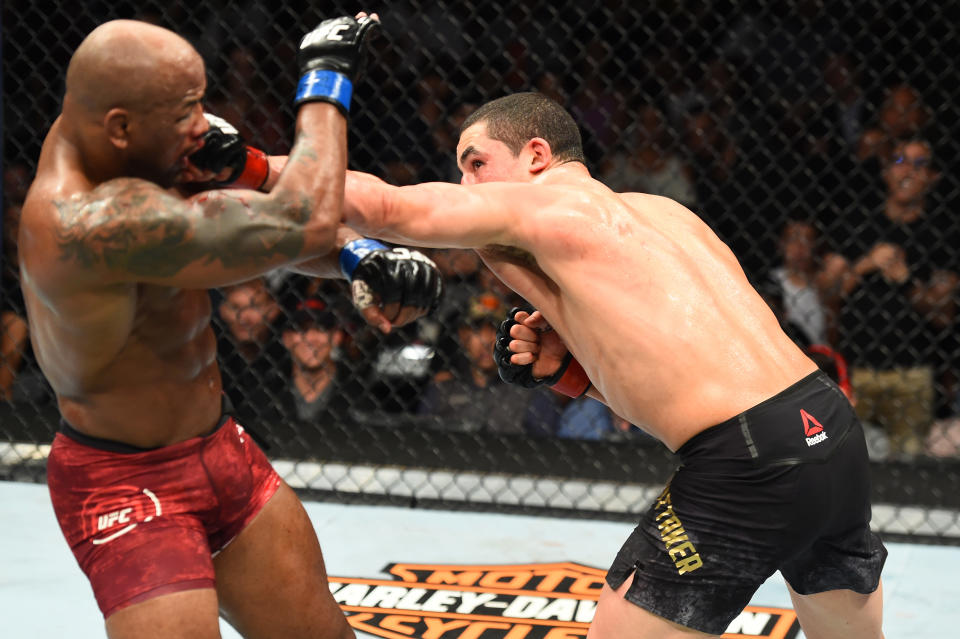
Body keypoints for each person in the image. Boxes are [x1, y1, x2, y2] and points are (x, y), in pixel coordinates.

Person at [341, 92, 886, 638]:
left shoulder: (547, 208)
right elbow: (691, 381)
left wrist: (263, 165)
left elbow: (384, 208)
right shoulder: (664, 213)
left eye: (476, 164)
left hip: (748, 466)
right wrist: (571, 375)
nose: (465, 187)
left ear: (536, 155)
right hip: (829, 431)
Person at [20, 15, 441, 639]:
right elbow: (301, 219)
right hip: (124, 485)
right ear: (121, 127)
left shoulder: (133, 133)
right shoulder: (90, 221)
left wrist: (360, 258)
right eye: (187, 111)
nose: (203, 124)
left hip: (221, 452)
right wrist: (326, 81)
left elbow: (257, 212)